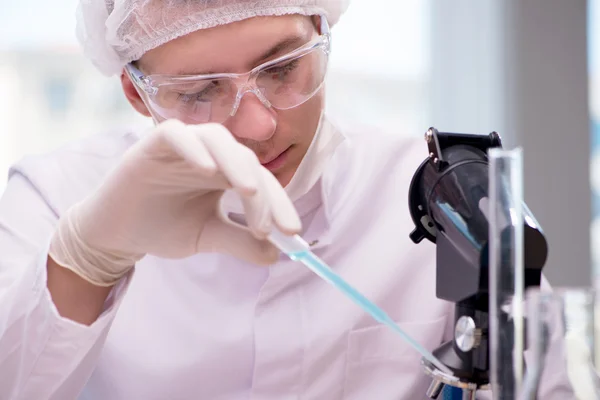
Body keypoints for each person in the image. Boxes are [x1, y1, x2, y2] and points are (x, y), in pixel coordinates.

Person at [0, 1, 575, 399]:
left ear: (325, 30)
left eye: (283, 68)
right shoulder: (56, 198)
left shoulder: (442, 193)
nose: (258, 125)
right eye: (200, 91)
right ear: (135, 91)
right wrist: (88, 259)